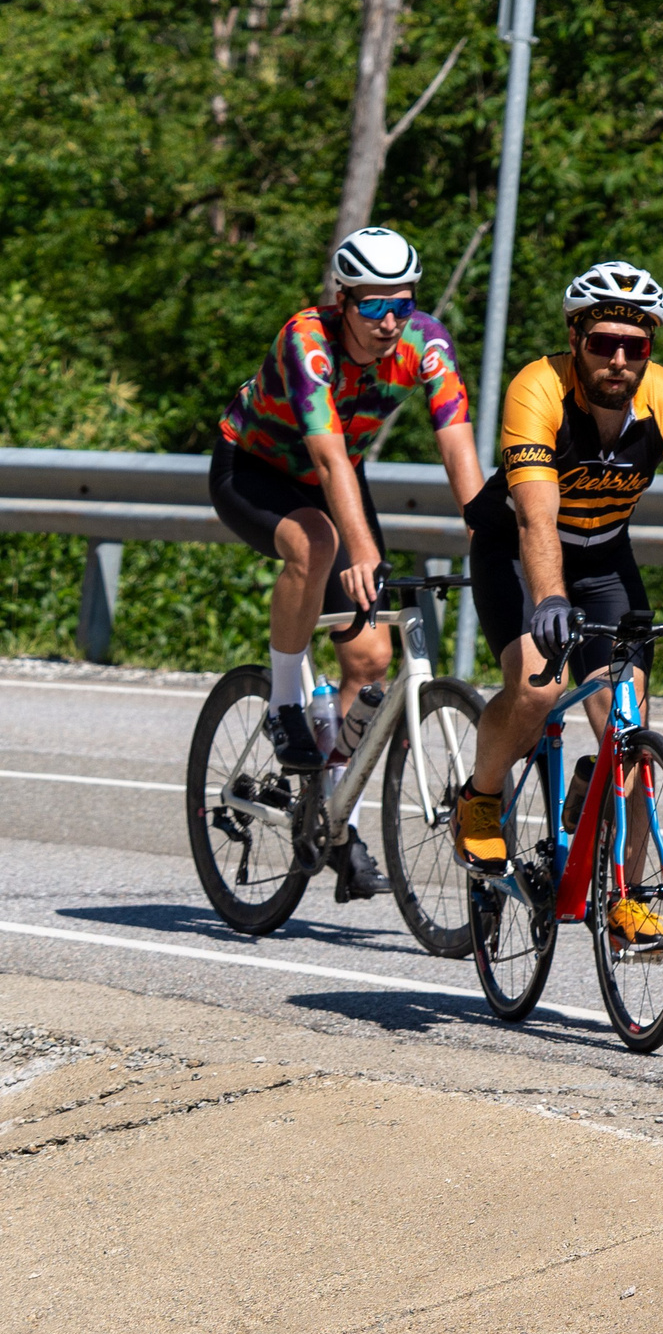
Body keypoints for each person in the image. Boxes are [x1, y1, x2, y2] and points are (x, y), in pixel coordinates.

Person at [450, 261, 663, 955]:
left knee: (629, 735)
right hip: (521, 552)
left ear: (650, 348)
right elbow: (535, 515)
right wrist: (548, 596)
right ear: (575, 337)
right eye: (602, 343)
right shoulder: (539, 388)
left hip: (605, 560)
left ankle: (629, 901)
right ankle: (482, 799)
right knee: (536, 688)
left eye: (634, 346)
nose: (618, 359)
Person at [210, 226, 482, 901]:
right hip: (258, 469)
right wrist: (362, 550)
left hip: (339, 479)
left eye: (402, 304)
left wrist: (487, 527)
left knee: (369, 664)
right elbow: (328, 457)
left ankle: (338, 824)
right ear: (343, 299)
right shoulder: (307, 339)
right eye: (371, 306)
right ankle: (281, 700)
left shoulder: (426, 340)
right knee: (317, 543)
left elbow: (456, 441)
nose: (389, 321)